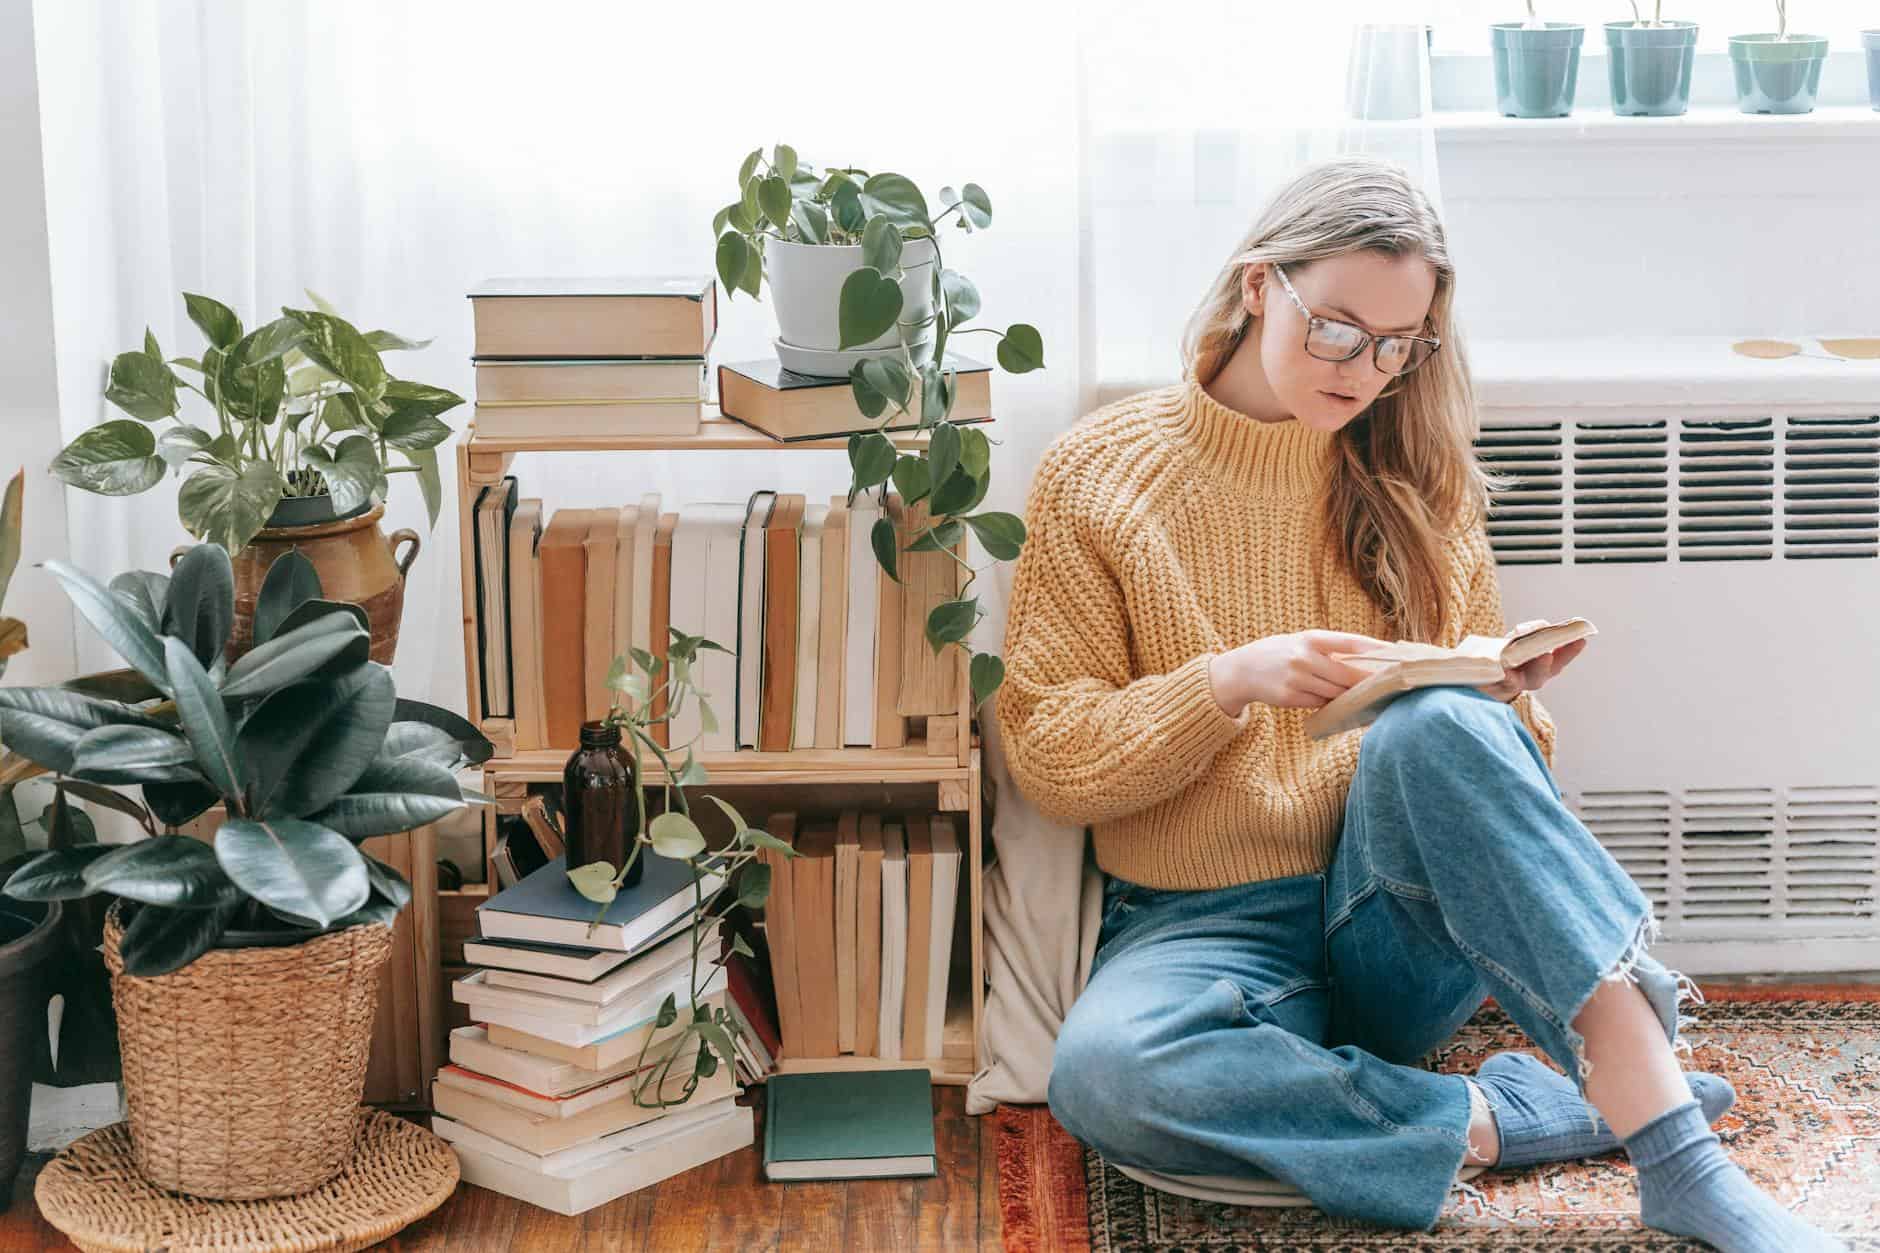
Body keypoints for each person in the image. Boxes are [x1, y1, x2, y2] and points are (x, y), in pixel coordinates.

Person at [994, 153, 1844, 1252]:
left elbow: (1491, 795)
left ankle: (1676, 1158)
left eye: (1399, 346)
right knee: (1107, 1075)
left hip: (1393, 907)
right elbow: (1051, 759)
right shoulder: (1099, 476)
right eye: (1337, 328)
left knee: (1440, 720)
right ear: (1259, 285)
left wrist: (1502, 703)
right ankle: (1511, 1112)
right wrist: (1224, 681)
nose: (1364, 368)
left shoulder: (1414, 478)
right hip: (1202, 926)